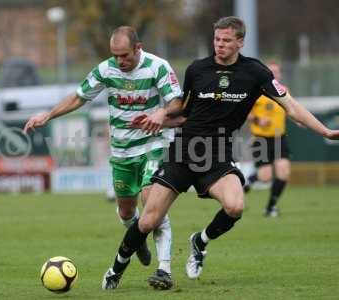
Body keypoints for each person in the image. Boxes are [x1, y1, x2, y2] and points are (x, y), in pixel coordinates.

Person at [101, 16, 339, 290]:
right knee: (149, 219)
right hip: (183, 151)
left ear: (240, 42)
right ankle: (116, 268)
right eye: (216, 40)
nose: (220, 45)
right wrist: (159, 118)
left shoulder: (256, 73)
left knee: (236, 206)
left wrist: (324, 131)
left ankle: (199, 241)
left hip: (217, 155)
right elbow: (184, 114)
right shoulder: (197, 70)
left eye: (226, 40)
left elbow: (292, 107)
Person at [24, 26, 183, 289]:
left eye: (125, 56)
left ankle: (163, 268)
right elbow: (79, 97)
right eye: (115, 55)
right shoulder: (106, 69)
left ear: (138, 48)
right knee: (126, 211)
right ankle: (137, 238)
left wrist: (161, 114)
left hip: (154, 145)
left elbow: (177, 101)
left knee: (152, 205)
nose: (120, 61)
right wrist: (47, 115)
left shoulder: (158, 67)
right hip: (121, 151)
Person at [244, 62, 291, 217]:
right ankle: (249, 181)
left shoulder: (284, 92)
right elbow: (246, 113)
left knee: (283, 172)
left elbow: (292, 110)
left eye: (277, 72)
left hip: (279, 138)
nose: (274, 74)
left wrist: (301, 121)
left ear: (281, 75)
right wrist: (258, 120)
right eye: (271, 72)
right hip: (261, 139)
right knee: (266, 176)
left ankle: (270, 207)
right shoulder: (257, 92)